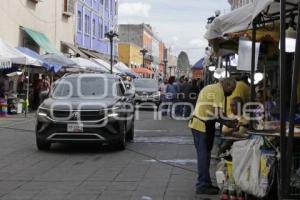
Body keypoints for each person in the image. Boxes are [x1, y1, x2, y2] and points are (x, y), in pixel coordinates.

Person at [189, 78, 238, 195]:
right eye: (231, 90)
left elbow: (218, 114)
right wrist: (230, 123)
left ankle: (206, 182)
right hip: (201, 125)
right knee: (203, 156)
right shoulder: (219, 92)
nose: (231, 92)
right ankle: (202, 185)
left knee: (206, 156)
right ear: (226, 86)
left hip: (201, 124)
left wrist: (229, 120)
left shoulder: (213, 88)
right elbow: (218, 115)